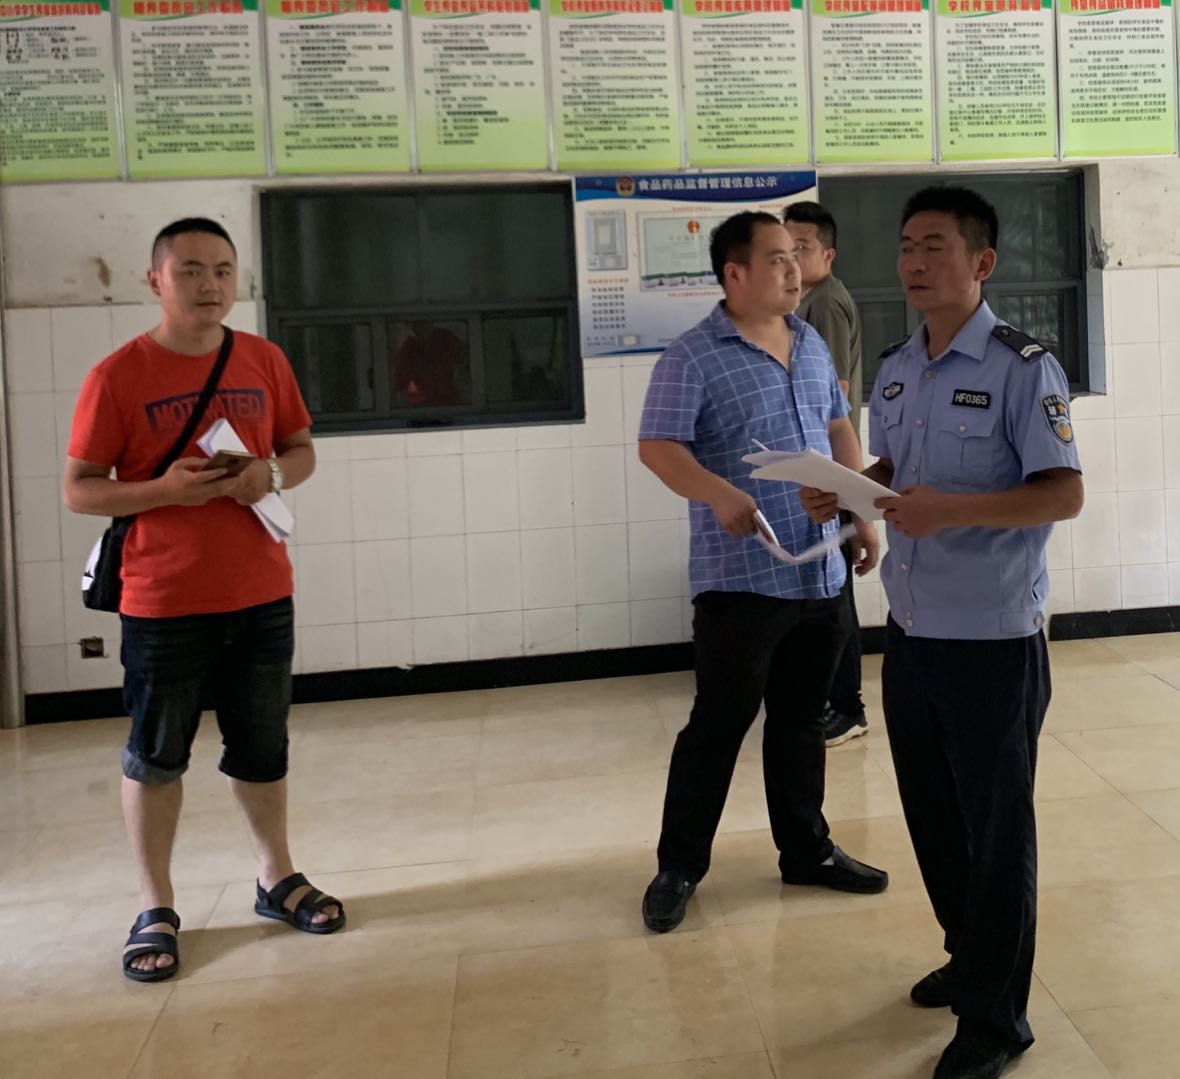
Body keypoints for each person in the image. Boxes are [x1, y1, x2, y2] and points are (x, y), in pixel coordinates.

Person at [800, 187, 1083, 1079]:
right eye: (906, 247)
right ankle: (970, 957)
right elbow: (901, 468)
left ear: (981, 262)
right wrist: (852, 488)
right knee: (934, 815)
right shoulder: (897, 367)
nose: (914, 264)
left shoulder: (1023, 367)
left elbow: (1062, 492)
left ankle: (997, 1019)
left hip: (992, 639)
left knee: (997, 833)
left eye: (935, 247)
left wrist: (950, 510)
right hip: (914, 631)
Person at [64, 217, 346, 983]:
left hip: (261, 588)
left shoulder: (263, 358)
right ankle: (154, 904)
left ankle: (276, 876)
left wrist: (268, 475)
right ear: (155, 280)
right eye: (190, 269)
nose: (210, 284)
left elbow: (300, 449)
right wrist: (162, 491)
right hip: (162, 597)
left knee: (262, 744)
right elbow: (80, 488)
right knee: (157, 753)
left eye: (223, 269)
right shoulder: (118, 375)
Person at [636, 210, 889, 935]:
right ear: (734, 273)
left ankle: (806, 850)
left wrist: (861, 509)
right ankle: (680, 866)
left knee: (802, 721)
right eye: (777, 257)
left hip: (819, 568)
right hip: (742, 577)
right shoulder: (692, 356)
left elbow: (837, 426)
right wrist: (719, 493)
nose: (793, 268)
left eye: (795, 256)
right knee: (719, 724)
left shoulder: (809, 341)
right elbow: (658, 446)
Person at [784, 200, 868, 746]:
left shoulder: (827, 304)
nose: (792, 258)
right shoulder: (805, 304)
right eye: (785, 249)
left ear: (829, 254)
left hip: (831, 471)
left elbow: (833, 395)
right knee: (823, 592)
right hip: (815, 471)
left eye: (803, 248)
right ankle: (828, 698)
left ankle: (848, 706)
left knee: (837, 595)